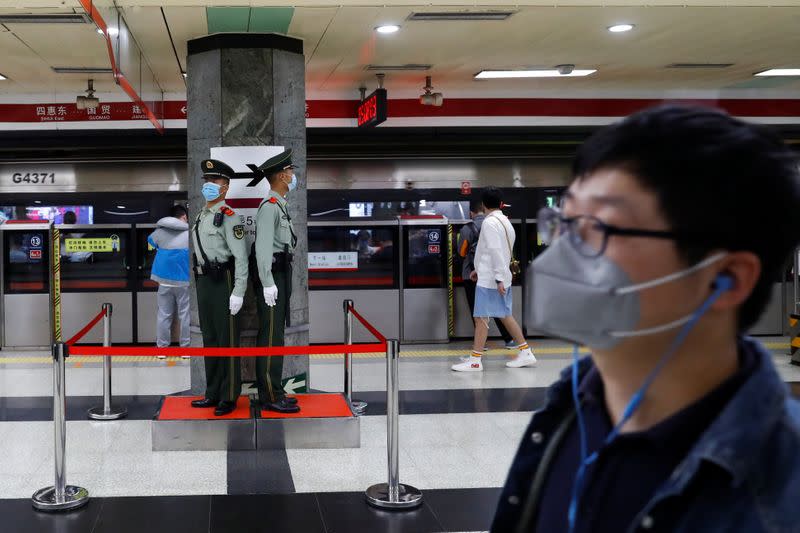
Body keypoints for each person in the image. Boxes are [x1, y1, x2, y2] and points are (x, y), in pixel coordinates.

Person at [492, 105, 800, 533]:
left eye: (600, 226)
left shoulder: (781, 493)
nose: (563, 251)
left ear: (725, 278)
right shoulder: (568, 410)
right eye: (565, 221)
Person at [452, 187, 537, 372]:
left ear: (483, 205)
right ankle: (526, 352)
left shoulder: (490, 223)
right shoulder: (505, 222)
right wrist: (481, 271)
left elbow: (495, 251)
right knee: (505, 315)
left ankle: (475, 361)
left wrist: (496, 278)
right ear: (500, 203)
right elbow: (499, 252)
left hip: (492, 280)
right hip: (496, 275)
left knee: (481, 317)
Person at [190, 159, 248, 417]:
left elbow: (241, 258)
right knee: (210, 339)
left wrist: (238, 291)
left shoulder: (229, 217)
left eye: (214, 182)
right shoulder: (201, 215)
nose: (208, 186)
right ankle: (212, 392)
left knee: (227, 340)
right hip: (203, 282)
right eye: (206, 181)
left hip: (223, 281)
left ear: (225, 187)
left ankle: (229, 395)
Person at [250, 149, 301, 414]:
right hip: (273, 277)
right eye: (291, 172)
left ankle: (276, 390)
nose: (293, 176)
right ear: (282, 175)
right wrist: (268, 282)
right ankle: (269, 395)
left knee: (276, 334)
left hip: (282, 274)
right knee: (270, 336)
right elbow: (262, 249)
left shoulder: (279, 205)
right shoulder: (269, 208)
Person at [457, 198, 515, 350]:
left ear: (472, 212)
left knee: (478, 312)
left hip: (473, 274)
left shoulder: (468, 228)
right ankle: (509, 340)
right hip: (494, 274)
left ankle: (480, 346)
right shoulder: (500, 223)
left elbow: (461, 252)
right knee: (497, 309)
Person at [147, 204, 191, 359]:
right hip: (184, 281)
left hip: (164, 281)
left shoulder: (159, 232)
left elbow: (150, 242)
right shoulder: (190, 233)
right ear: (184, 217)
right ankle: (185, 350)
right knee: (185, 315)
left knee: (164, 315)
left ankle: (162, 350)